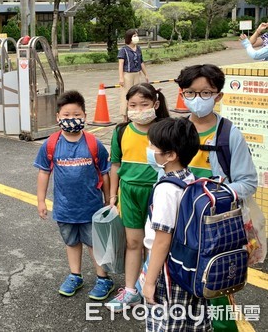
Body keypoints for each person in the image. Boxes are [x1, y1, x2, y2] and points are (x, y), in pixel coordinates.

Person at [175, 64, 258, 332]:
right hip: (181, 225)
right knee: (182, 287)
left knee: (217, 290)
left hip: (216, 230)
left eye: (206, 93)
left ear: (218, 96)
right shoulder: (176, 129)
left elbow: (248, 182)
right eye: (191, 93)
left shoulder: (228, 134)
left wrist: (218, 195)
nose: (197, 99)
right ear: (182, 93)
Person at [35, 91, 113, 300]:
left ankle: (103, 278)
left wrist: (108, 199)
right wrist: (41, 200)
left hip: (91, 208)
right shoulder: (51, 144)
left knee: (94, 244)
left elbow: (105, 173)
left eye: (76, 114)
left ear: (85, 116)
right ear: (58, 117)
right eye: (66, 115)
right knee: (71, 243)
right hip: (64, 208)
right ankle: (75, 275)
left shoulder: (93, 143)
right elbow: (44, 172)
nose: (71, 119)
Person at [142, 117, 212, 331]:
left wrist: (149, 281)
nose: (149, 149)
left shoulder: (166, 189)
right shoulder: (192, 179)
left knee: (166, 323)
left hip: (168, 271)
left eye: (153, 146)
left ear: (171, 155)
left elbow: (162, 240)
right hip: (191, 268)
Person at [105, 83, 170, 313]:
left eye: (144, 104)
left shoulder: (164, 130)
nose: (138, 109)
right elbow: (115, 164)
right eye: (133, 105)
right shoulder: (121, 130)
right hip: (129, 192)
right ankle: (131, 291)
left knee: (155, 245)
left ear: (156, 104)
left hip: (158, 193)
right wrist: (113, 195)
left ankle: (154, 289)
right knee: (133, 243)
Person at [118, 29, 149, 122]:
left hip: (137, 74)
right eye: (134, 36)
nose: (136, 37)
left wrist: (146, 74)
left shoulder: (138, 48)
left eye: (137, 35)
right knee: (126, 95)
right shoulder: (123, 50)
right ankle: (125, 117)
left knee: (137, 94)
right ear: (129, 38)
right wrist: (121, 77)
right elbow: (121, 64)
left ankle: (135, 114)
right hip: (127, 75)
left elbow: (141, 62)